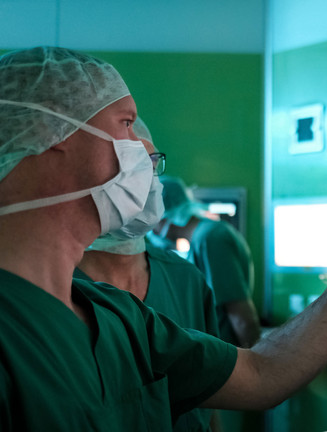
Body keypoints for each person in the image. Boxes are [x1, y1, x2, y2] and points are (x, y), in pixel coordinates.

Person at [0, 46, 327, 430]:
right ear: (48, 132)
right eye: (126, 123)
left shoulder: (116, 317)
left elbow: (264, 370)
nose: (144, 150)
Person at [74, 117, 222, 431]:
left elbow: (211, 402)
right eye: (132, 166)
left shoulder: (185, 280)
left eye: (152, 164)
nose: (149, 180)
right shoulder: (48, 284)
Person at [151, 176, 262, 349]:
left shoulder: (212, 238)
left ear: (163, 217)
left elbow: (240, 315)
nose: (150, 230)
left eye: (151, 221)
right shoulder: (199, 241)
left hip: (232, 353)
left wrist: (257, 363)